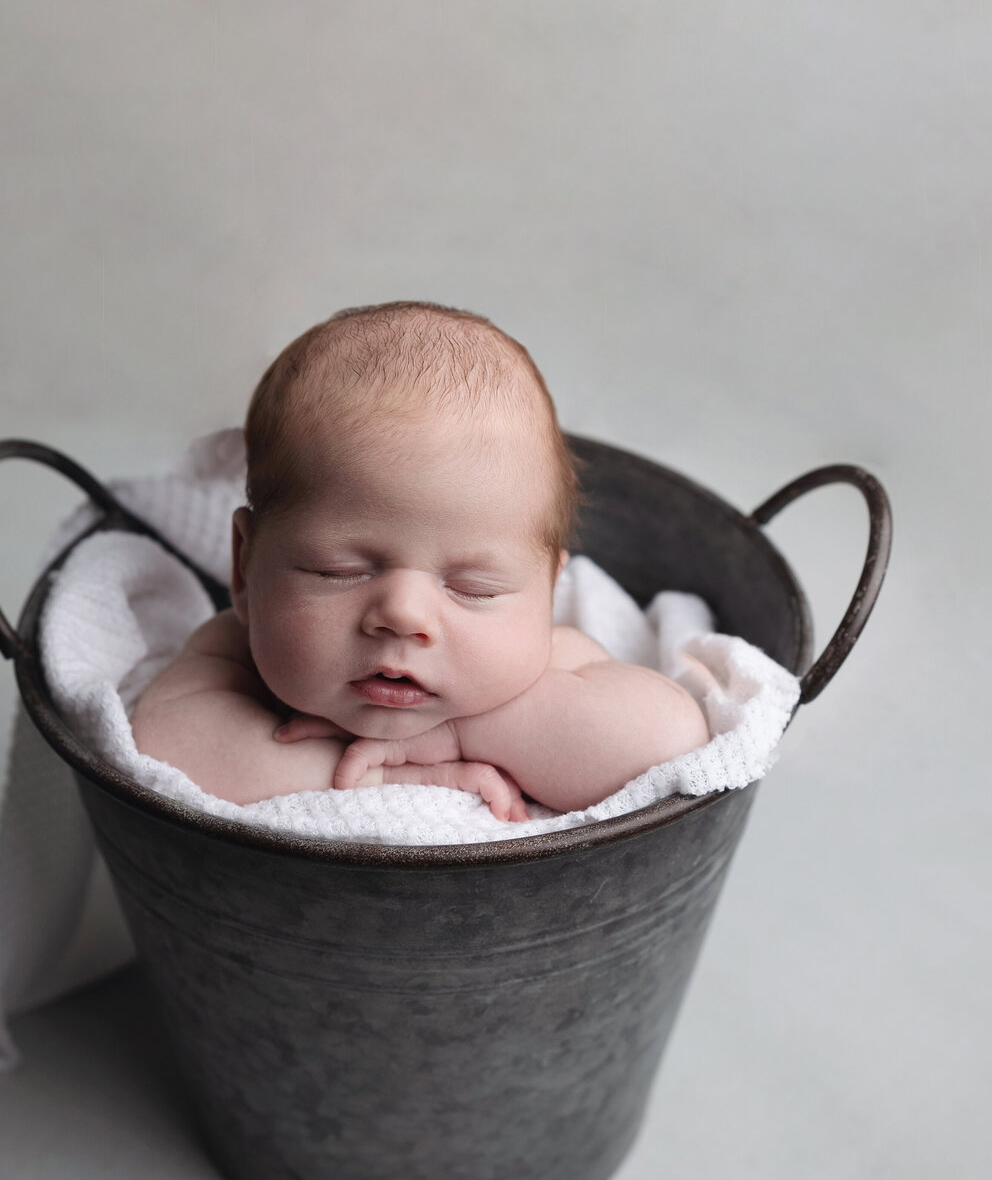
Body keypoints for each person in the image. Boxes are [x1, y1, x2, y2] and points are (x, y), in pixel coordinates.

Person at [130, 302, 709, 820]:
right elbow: (163, 750)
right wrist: (385, 774)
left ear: (548, 593)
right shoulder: (236, 653)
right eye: (338, 571)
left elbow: (668, 743)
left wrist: (461, 732)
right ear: (245, 571)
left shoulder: (550, 663)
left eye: (474, 588)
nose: (403, 615)